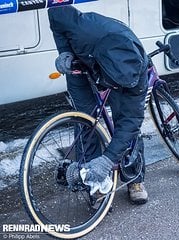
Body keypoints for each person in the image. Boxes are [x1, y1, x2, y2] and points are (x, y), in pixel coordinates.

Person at [48, 5, 149, 204]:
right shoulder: (80, 27)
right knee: (86, 120)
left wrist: (108, 159)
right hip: (80, 66)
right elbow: (54, 15)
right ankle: (92, 183)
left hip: (120, 78)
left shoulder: (136, 74)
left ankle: (134, 178)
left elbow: (131, 122)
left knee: (125, 122)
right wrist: (65, 53)